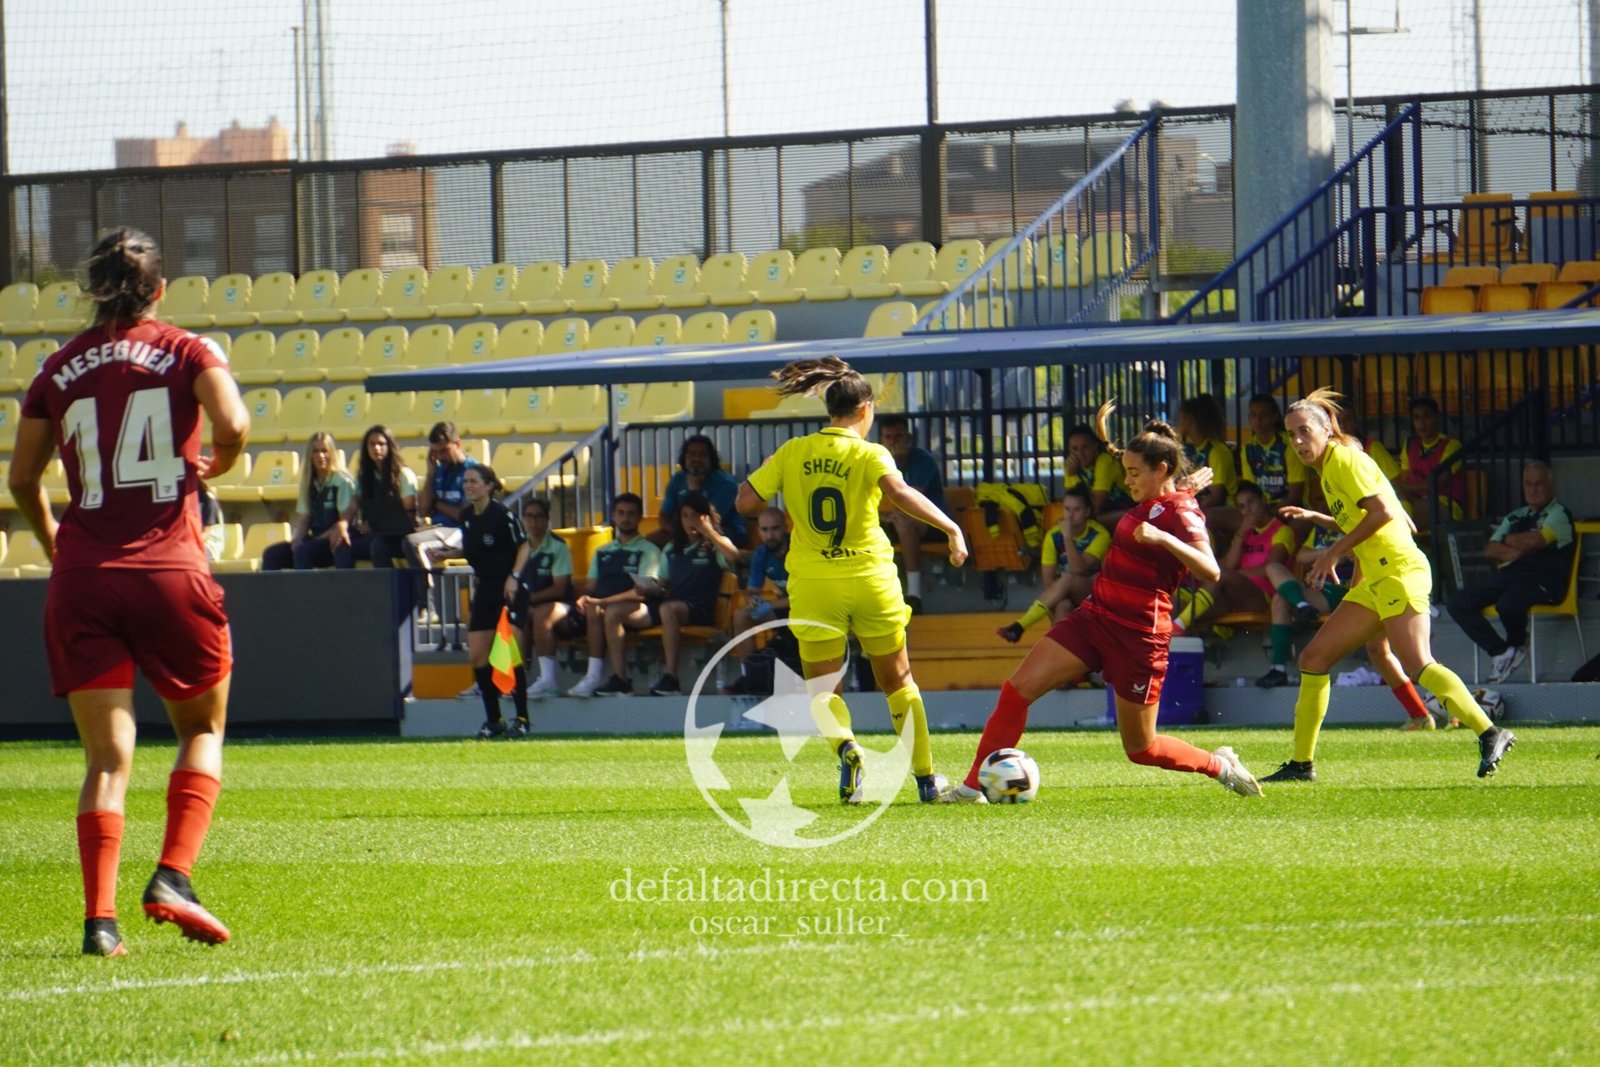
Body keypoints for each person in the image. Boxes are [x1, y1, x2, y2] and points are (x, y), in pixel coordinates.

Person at [7, 226, 249, 956]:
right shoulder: (185, 348)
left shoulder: (56, 366)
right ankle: (173, 873)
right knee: (200, 729)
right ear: (159, 289)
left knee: (107, 760)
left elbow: (22, 479)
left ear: (91, 288)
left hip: (83, 577)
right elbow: (233, 422)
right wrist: (220, 460)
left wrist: (58, 545)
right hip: (169, 567)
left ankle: (99, 923)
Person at [942, 400, 1263, 803]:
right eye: (1125, 470)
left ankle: (1219, 764)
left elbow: (1211, 570)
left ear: (1160, 469)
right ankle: (973, 787)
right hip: (1095, 618)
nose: (1125, 481)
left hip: (1139, 637)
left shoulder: (1183, 512)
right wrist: (1125, 457)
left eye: (1132, 473)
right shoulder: (1164, 497)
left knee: (1141, 749)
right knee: (1016, 690)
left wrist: (1164, 536)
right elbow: (1158, 494)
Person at [735, 357, 969, 804]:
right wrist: (951, 530)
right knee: (898, 680)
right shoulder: (870, 452)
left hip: (814, 584)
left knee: (823, 688)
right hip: (869, 578)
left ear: (829, 409)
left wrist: (767, 470)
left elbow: (746, 501)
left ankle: (847, 748)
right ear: (866, 409)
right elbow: (900, 494)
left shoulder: (793, 451)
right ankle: (925, 779)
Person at [1264, 388, 1516, 783]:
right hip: (1376, 578)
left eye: (1302, 431)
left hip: (1398, 571)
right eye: (1290, 435)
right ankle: (1301, 764)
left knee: (1418, 663)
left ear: (1327, 428)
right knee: (1313, 660)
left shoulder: (1345, 458)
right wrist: (1322, 518)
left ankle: (1490, 732)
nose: (1296, 442)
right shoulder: (1331, 467)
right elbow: (1372, 515)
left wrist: (1332, 553)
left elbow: (1382, 512)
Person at [1269, 488, 1443, 731]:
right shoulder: (1360, 507)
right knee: (1380, 651)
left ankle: (1462, 715)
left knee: (1416, 661)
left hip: (1391, 583)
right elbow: (1350, 532)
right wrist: (1316, 522)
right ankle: (1421, 715)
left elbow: (1399, 529)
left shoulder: (1375, 501)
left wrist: (1345, 569)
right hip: (1365, 589)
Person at [1446, 460, 1575, 683]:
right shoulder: (1516, 515)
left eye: (1539, 484)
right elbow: (1491, 549)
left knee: (1508, 604)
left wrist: (1509, 540)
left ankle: (1516, 643)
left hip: (1545, 581)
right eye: (1528, 483)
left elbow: (1536, 541)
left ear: (1550, 486)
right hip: (1511, 576)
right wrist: (1518, 548)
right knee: (1458, 602)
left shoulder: (1559, 513)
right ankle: (1502, 651)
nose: (1533, 489)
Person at [457, 465, 532, 738]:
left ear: (489, 485)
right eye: (465, 481)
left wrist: (513, 577)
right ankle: (494, 720)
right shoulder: (466, 516)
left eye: (474, 481)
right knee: (477, 655)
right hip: (485, 591)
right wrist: (445, 552)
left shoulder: (503, 515)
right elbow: (472, 549)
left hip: (509, 591)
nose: (468, 485)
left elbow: (523, 544)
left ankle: (522, 718)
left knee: (510, 651)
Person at [567, 493, 665, 697]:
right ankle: (593, 676)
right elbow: (590, 586)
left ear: (639, 518)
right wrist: (583, 597)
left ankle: (621, 679)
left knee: (609, 611)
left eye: (631, 513)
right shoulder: (602, 551)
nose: (625, 518)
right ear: (613, 516)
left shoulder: (649, 550)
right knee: (594, 608)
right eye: (621, 513)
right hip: (606, 607)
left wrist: (601, 601)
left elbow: (641, 592)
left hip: (644, 609)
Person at [1170, 480, 1297, 637]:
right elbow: (1230, 565)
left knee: (1218, 574)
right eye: (1242, 506)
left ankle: (1178, 626)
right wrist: (1241, 534)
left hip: (1263, 597)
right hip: (1233, 594)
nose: (1248, 510)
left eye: (1251, 502)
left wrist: (1237, 574)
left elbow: (1271, 569)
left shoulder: (1281, 530)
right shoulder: (1245, 533)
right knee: (1175, 603)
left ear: (1263, 500)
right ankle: (1177, 639)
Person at [648, 492, 743, 695]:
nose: (689, 521)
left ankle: (671, 677)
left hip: (702, 609)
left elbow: (733, 556)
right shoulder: (672, 548)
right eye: (685, 515)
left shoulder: (714, 544)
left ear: (706, 517)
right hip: (673, 608)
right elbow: (662, 583)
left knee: (668, 609)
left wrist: (708, 531)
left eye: (694, 515)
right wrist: (646, 587)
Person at [996, 484, 1109, 643]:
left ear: (1087, 512)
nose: (1070, 515)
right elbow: (1049, 581)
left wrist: (1067, 537)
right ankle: (1053, 654)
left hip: (1094, 594)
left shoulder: (1099, 534)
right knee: (1063, 605)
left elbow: (1079, 568)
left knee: (1069, 578)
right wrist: (1063, 591)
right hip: (1065, 593)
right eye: (1067, 509)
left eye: (1076, 510)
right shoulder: (1053, 535)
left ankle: (1021, 625)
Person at [404, 421, 478, 625]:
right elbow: (424, 509)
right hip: (439, 529)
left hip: (461, 532)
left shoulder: (473, 471)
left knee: (413, 543)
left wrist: (438, 504)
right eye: (435, 452)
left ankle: (428, 607)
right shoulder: (439, 470)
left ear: (457, 444)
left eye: (444, 451)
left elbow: (465, 515)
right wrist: (430, 473)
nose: (440, 457)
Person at [877, 415, 949, 613]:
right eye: (889, 437)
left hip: (930, 523)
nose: (894, 442)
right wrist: (883, 517)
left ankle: (914, 595)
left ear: (908, 438)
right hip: (888, 519)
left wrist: (897, 462)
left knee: (904, 521)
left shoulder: (922, 460)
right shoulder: (875, 461)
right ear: (882, 440)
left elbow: (912, 499)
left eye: (898, 436)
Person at [261, 432, 356, 571]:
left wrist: (316, 540)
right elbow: (305, 519)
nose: (320, 456)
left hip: (334, 541)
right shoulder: (308, 483)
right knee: (271, 554)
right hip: (315, 539)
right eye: (316, 451)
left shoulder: (341, 482)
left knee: (304, 551)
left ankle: (304, 592)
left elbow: (344, 521)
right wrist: (297, 539)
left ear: (332, 453)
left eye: (324, 451)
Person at [722, 506, 791, 694]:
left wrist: (768, 604)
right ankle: (751, 675)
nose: (770, 535)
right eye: (765, 530)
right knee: (741, 615)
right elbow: (752, 590)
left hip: (809, 609)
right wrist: (752, 599)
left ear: (785, 528)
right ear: (759, 531)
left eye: (775, 529)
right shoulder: (761, 553)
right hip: (785, 607)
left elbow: (803, 598)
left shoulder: (799, 550)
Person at [514, 496, 576, 700]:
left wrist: (527, 599)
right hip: (529, 605)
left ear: (547, 520)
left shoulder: (559, 547)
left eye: (538, 517)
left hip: (563, 606)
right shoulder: (518, 547)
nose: (533, 521)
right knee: (506, 616)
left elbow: (560, 589)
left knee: (541, 613)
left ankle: (548, 681)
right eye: (529, 516)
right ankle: (516, 679)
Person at [652, 434, 745, 546]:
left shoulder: (726, 484)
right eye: (692, 454)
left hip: (724, 532)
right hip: (685, 530)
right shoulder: (678, 479)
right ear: (684, 458)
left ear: (711, 458)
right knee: (652, 541)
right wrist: (677, 530)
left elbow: (707, 521)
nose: (696, 459)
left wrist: (694, 488)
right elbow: (664, 516)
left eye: (702, 454)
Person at [346, 424, 418, 567]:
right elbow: (354, 504)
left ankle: (391, 588)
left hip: (400, 537)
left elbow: (409, 518)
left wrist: (376, 527)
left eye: (381, 444)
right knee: (344, 546)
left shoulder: (403, 475)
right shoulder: (364, 477)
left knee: (378, 546)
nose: (376, 448)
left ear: (389, 446)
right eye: (372, 444)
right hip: (375, 533)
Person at [1394, 396, 1464, 535]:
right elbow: (1403, 479)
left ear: (1437, 417)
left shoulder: (1451, 445)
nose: (1422, 423)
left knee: (1396, 519)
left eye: (1427, 416)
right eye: (1417, 418)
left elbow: (1435, 484)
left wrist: (1404, 487)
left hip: (1445, 504)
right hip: (1415, 501)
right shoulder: (1409, 445)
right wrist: (1402, 488)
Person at [1240, 393, 1306, 512]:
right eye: (1254, 415)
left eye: (1263, 415)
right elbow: (1249, 492)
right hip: (1258, 511)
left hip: (1291, 510)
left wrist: (1271, 516)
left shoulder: (1288, 446)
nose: (1258, 420)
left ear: (1274, 417)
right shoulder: (1247, 449)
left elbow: (1295, 496)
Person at [1064, 422, 1134, 527]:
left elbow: (1095, 508)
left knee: (1087, 522)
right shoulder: (1071, 465)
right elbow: (1070, 502)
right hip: (1104, 511)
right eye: (1075, 449)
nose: (1080, 453)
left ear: (1095, 446)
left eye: (1085, 447)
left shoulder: (1104, 461)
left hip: (1128, 509)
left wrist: (1073, 476)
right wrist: (1072, 475)